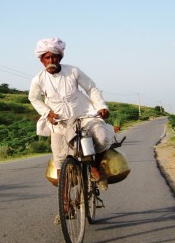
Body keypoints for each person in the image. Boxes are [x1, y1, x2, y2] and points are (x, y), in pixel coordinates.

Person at [28, 37, 115, 189]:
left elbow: (91, 88)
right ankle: (65, 205)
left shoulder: (73, 71)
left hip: (84, 115)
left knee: (101, 137)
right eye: (47, 57)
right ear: (42, 60)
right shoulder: (38, 79)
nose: (51, 60)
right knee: (59, 159)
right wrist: (48, 113)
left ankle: (96, 166)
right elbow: (34, 98)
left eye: (54, 56)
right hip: (60, 122)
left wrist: (101, 106)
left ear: (60, 57)